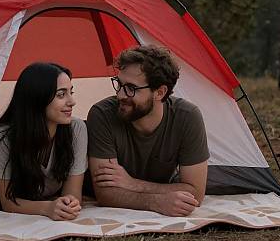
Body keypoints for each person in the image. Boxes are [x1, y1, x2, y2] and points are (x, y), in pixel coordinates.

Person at [87, 45, 209, 217]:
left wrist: (132, 184)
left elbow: (195, 193)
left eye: (131, 88)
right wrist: (155, 202)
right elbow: (106, 194)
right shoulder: (102, 115)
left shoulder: (188, 117)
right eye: (119, 84)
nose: (121, 95)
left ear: (159, 92)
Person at [0, 62, 88, 221]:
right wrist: (47, 208)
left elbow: (73, 194)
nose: (72, 101)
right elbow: (8, 203)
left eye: (71, 92)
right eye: (61, 94)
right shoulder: (4, 137)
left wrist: (68, 205)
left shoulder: (77, 129)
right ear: (37, 99)